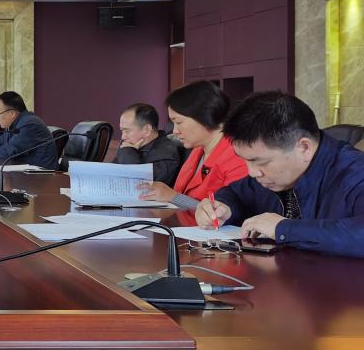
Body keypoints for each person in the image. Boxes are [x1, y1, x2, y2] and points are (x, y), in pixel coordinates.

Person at [195, 92, 364, 257]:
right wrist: (223, 208)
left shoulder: (355, 173)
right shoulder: (270, 177)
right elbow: (236, 193)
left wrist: (283, 229)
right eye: (245, 160)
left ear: (304, 148)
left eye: (261, 162)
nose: (252, 172)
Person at [136, 81, 247, 208]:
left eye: (179, 122)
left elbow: (227, 213)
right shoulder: (198, 148)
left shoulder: (238, 156)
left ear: (205, 116)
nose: (175, 130)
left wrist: (173, 197)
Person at [0, 91, 58, 169]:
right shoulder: (14, 125)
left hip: (41, 176)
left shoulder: (29, 124)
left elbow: (10, 151)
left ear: (12, 113)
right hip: (25, 174)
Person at [114, 102, 185, 185]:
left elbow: (138, 183)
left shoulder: (167, 154)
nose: (123, 137)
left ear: (147, 130)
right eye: (122, 131)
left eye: (127, 131)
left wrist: (128, 152)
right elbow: (112, 171)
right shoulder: (128, 143)